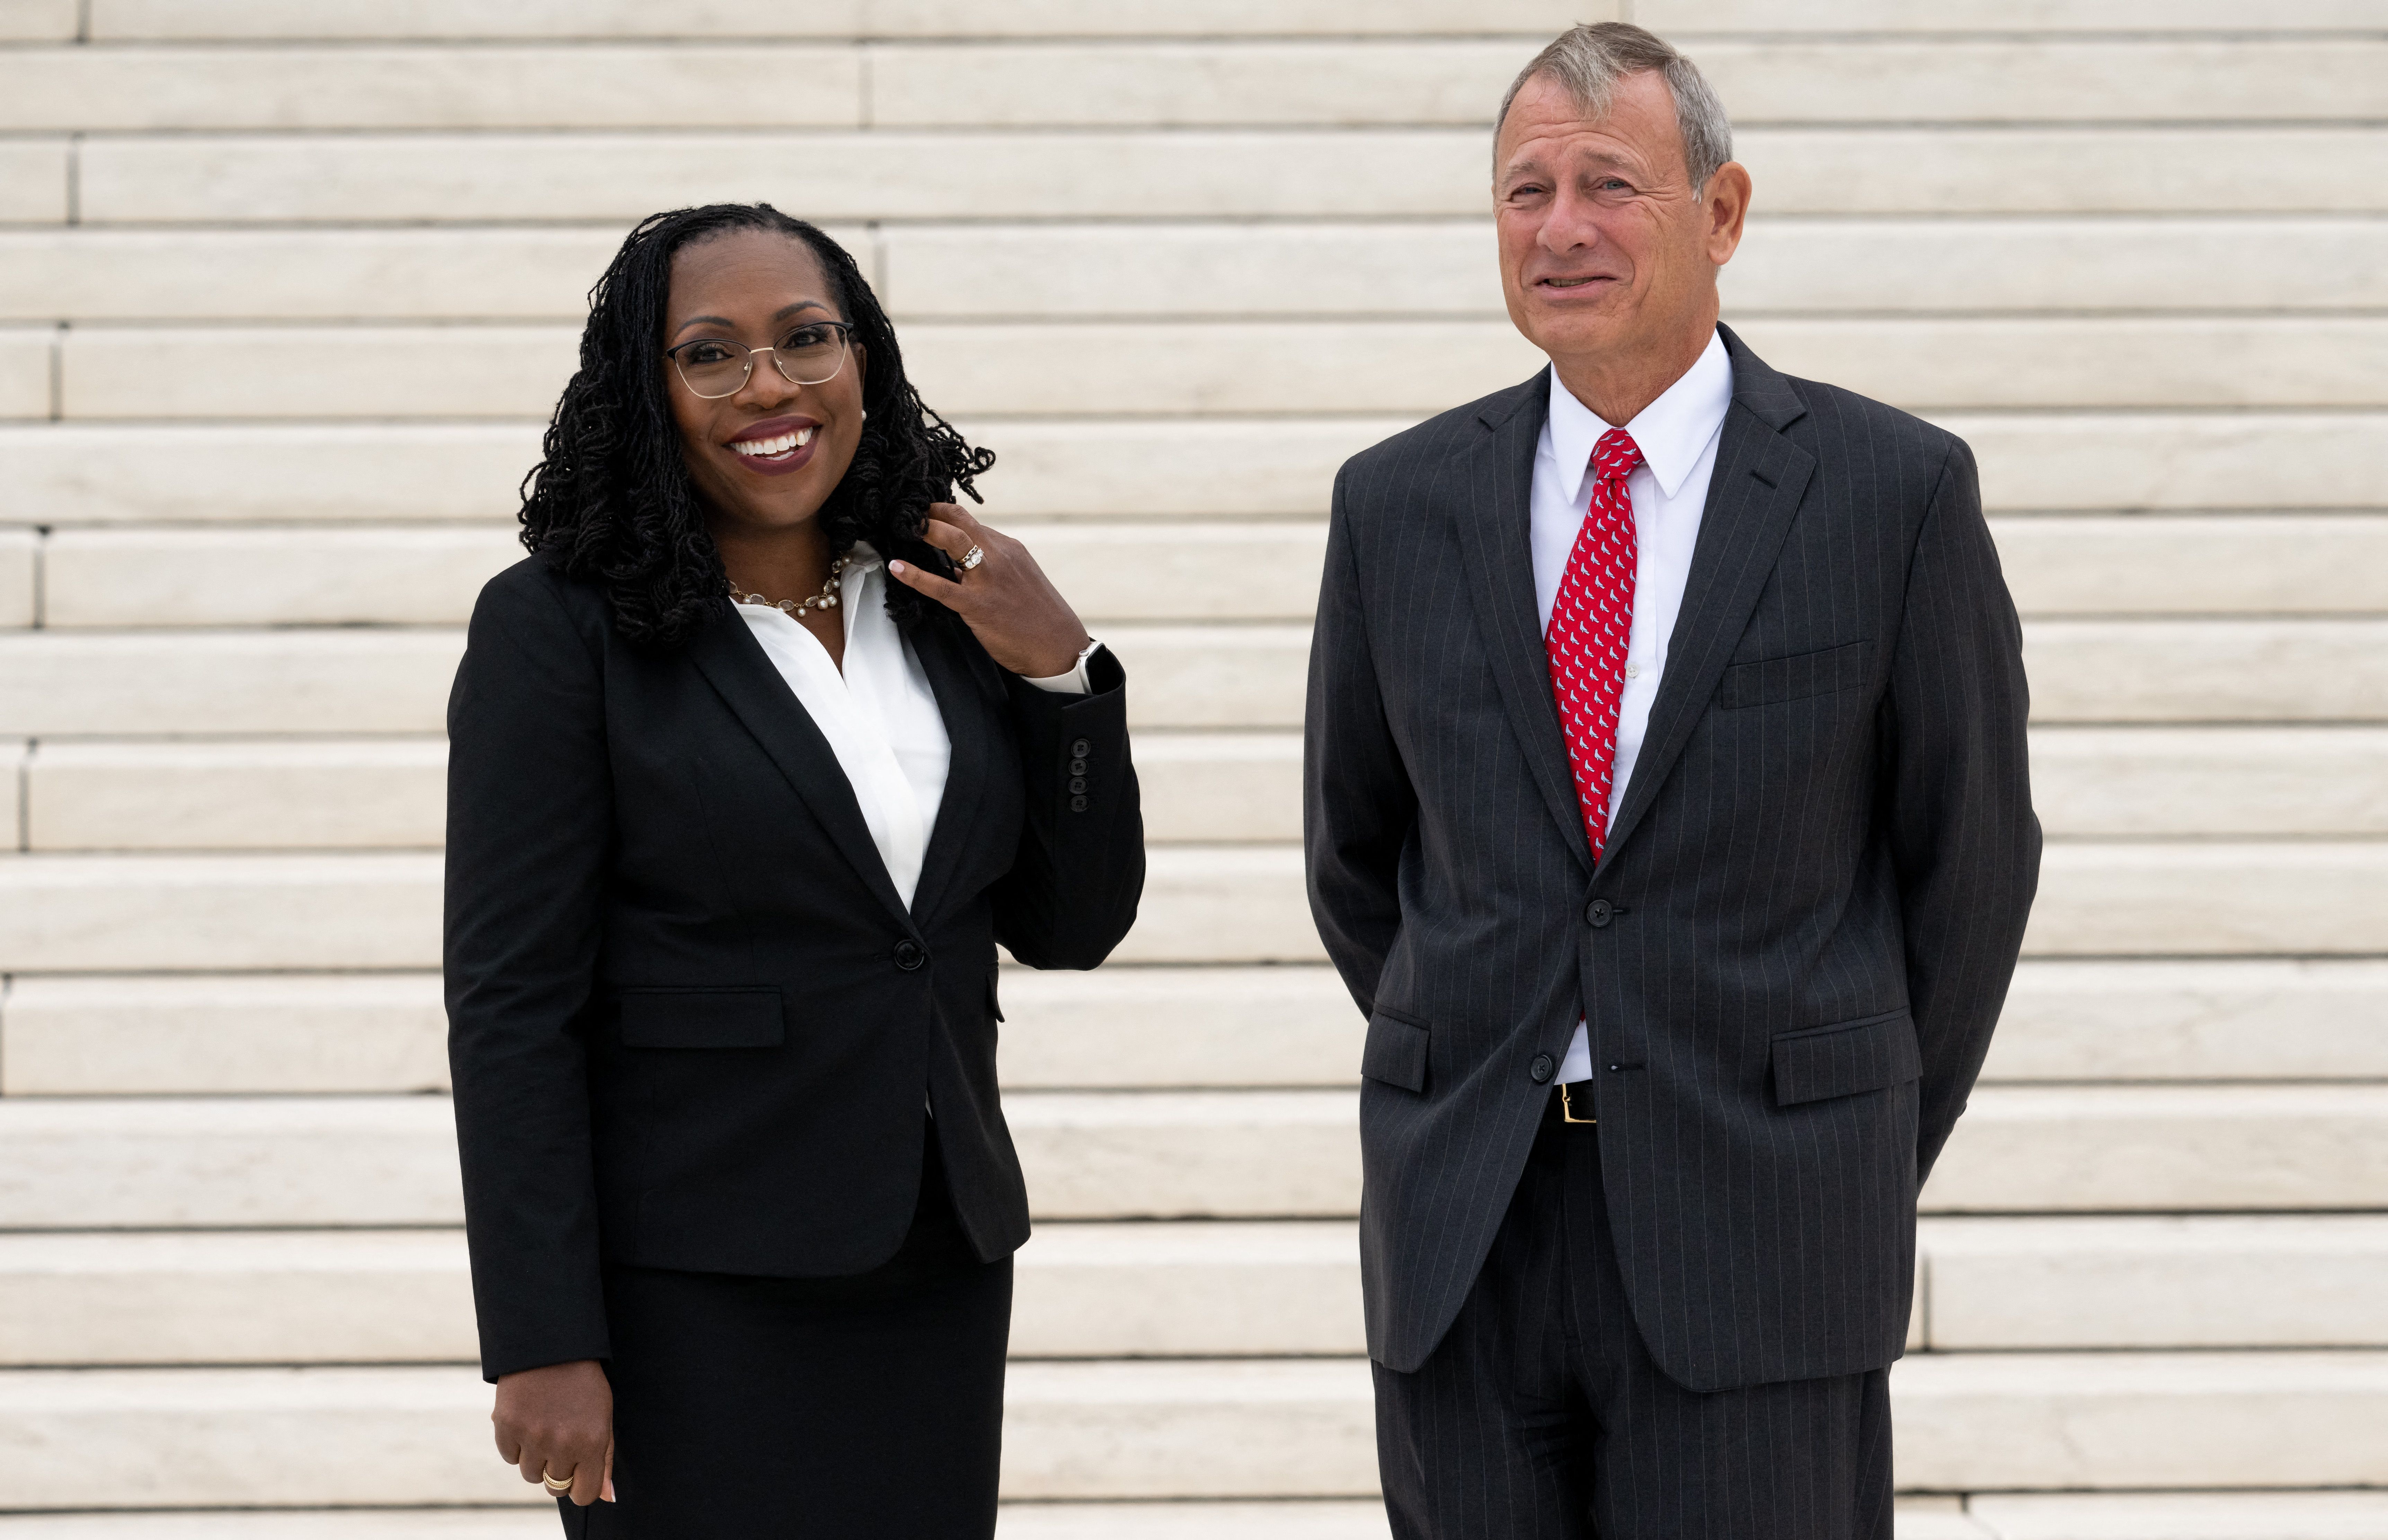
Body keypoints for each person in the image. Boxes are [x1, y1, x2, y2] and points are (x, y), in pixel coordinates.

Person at [1304, 24, 2039, 1539]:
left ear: (1720, 212)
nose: (1559, 228)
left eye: (1607, 185)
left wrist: (1840, 1135)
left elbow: (1967, 864)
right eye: (1523, 191)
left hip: (1763, 1224)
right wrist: (1484, 1049)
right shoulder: (1395, 503)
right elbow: (1355, 852)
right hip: (1469, 1227)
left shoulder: (1889, 491)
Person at [444, 202, 1144, 1538]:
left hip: (934, 1253)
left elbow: (1074, 923)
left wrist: (1059, 674)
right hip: (687, 1288)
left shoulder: (944, 603)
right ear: (648, 394)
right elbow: (512, 1004)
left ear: (862, 361)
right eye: (710, 354)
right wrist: (540, 1334)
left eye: (806, 338)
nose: (770, 385)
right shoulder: (557, 631)